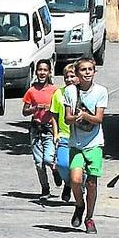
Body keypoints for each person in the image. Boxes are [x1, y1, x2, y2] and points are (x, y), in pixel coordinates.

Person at [63, 58, 108, 234]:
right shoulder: (70, 92)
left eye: (90, 69)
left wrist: (85, 116)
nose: (87, 72)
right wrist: (76, 118)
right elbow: (67, 118)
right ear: (77, 73)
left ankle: (89, 218)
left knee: (91, 183)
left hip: (94, 143)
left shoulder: (100, 91)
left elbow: (98, 119)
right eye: (83, 70)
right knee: (75, 179)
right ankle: (79, 205)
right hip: (76, 143)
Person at [22, 59, 60, 200]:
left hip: (50, 129)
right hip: (36, 129)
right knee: (39, 163)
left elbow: (60, 110)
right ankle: (45, 189)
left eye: (45, 70)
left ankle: (55, 169)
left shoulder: (55, 91)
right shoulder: (31, 91)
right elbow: (25, 111)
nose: (42, 73)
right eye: (40, 70)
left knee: (48, 159)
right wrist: (35, 108)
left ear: (49, 72)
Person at [49, 63, 78, 202]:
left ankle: (76, 189)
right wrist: (55, 133)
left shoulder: (82, 92)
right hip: (64, 135)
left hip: (80, 137)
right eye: (67, 77)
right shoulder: (58, 93)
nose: (69, 79)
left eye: (72, 76)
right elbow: (54, 115)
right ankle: (68, 183)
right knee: (62, 164)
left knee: (79, 167)